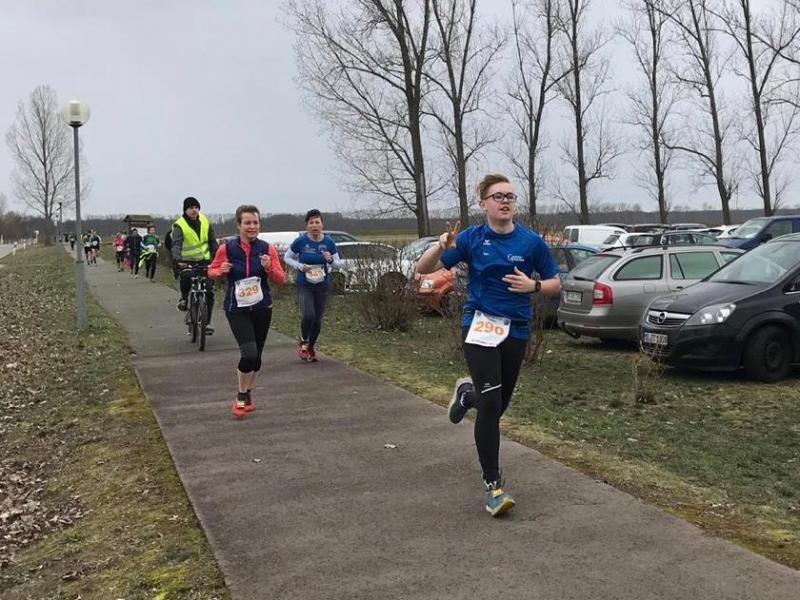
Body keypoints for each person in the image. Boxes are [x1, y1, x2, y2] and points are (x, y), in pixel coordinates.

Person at [416, 173, 561, 518]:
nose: (506, 201)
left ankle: (467, 396)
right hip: (479, 325)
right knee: (492, 402)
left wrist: (533, 287)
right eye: (498, 196)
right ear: (483, 204)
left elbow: (555, 282)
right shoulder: (471, 238)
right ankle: (493, 486)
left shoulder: (530, 243)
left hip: (516, 329)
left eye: (510, 196)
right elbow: (423, 270)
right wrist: (440, 245)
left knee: (496, 407)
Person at [208, 205, 285, 417]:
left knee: (256, 357)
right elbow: (211, 271)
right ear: (239, 225)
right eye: (247, 223)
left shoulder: (267, 249)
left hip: (262, 308)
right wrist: (220, 271)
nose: (252, 226)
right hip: (237, 309)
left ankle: (248, 393)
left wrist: (269, 267)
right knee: (248, 352)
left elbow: (281, 279)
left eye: (255, 223)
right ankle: (241, 394)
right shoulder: (227, 249)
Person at [283, 209, 341, 362]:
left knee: (317, 319)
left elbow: (338, 264)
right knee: (309, 314)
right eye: (311, 223)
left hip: (322, 285)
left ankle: (310, 348)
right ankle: (303, 341)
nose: (314, 226)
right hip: (304, 284)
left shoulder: (328, 242)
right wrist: (299, 265)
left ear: (322, 225)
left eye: (317, 222)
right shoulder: (301, 241)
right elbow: (287, 257)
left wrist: (330, 260)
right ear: (307, 226)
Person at [171, 197, 219, 335]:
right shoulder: (180, 225)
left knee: (209, 291)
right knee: (187, 276)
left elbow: (212, 241)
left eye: (196, 207)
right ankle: (184, 298)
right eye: (191, 208)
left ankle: (206, 323)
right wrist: (178, 260)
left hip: (204, 261)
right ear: (185, 210)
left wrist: (218, 256)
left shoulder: (204, 220)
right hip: (186, 262)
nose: (194, 210)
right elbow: (176, 245)